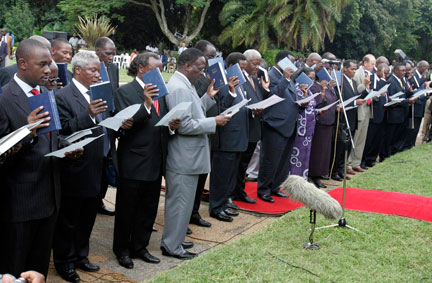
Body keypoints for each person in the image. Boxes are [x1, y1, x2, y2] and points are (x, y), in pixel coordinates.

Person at [0, 38, 81, 279]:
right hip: (19, 205)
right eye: (42, 64)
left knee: (38, 271)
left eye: (50, 64)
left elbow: (52, 137)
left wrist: (68, 148)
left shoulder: (45, 92)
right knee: (15, 271)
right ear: (22, 64)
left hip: (50, 199)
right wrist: (26, 132)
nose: (49, 70)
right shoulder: (4, 99)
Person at [161, 48, 230, 259]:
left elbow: (195, 109)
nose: (203, 73)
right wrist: (214, 122)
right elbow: (184, 126)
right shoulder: (179, 87)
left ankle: (177, 239)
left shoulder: (185, 84)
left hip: (189, 157)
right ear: (187, 65)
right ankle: (172, 245)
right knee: (179, 204)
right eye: (200, 68)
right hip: (184, 157)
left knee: (184, 203)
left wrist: (208, 98)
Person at [53, 50, 116, 282]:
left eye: (98, 70)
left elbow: (106, 121)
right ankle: (64, 262)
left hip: (99, 164)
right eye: (92, 70)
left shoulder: (100, 92)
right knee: (69, 219)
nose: (97, 74)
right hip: (75, 167)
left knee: (89, 217)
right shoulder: (63, 96)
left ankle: (81, 255)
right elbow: (64, 130)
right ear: (77, 70)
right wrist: (88, 114)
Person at [112, 53, 179, 269]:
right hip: (133, 160)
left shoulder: (160, 89)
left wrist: (171, 125)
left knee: (148, 208)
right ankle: (122, 249)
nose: (160, 73)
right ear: (141, 68)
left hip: (156, 159)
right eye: (155, 68)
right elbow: (125, 124)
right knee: (127, 209)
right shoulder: (125, 91)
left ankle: (140, 247)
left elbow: (162, 121)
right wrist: (147, 104)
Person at [209, 53, 243, 221]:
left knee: (229, 176)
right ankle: (216, 207)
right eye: (240, 68)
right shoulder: (221, 82)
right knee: (220, 176)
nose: (242, 72)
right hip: (224, 137)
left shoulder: (239, 82)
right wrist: (230, 91)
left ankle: (223, 204)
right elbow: (221, 107)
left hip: (236, 137)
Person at [189, 40, 218, 228]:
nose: (211, 61)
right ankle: (187, 214)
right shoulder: (195, 77)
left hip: (206, 130)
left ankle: (194, 212)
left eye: (214, 57)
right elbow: (194, 106)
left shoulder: (209, 74)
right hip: (193, 131)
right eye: (209, 57)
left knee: (201, 178)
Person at [233, 49, 267, 203]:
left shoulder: (255, 79)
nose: (257, 67)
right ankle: (236, 193)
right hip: (244, 128)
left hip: (254, 128)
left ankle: (240, 192)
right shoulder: (240, 79)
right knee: (239, 165)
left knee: (245, 164)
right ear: (245, 62)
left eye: (259, 64)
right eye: (254, 64)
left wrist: (265, 89)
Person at [95, 37, 120, 216]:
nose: (111, 57)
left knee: (107, 164)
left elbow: (115, 92)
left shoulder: (113, 68)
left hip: (110, 122)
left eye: (113, 53)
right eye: (107, 53)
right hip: (95, 120)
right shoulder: (90, 68)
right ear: (97, 52)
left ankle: (100, 201)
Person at [331, 60, 368, 181]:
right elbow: (339, 100)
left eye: (355, 69)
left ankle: (342, 170)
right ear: (345, 68)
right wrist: (354, 102)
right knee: (340, 146)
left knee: (346, 146)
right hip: (342, 118)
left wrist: (363, 94)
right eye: (352, 69)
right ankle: (335, 171)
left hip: (352, 117)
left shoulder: (352, 81)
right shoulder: (339, 81)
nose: (354, 71)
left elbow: (356, 95)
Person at [308, 64, 339, 188]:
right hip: (319, 122)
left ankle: (321, 173)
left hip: (329, 121)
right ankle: (313, 175)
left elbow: (333, 99)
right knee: (317, 151)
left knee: (325, 151)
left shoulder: (329, 87)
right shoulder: (315, 87)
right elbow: (317, 103)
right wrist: (322, 91)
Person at [380, 62, 415, 160]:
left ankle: (393, 152)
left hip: (402, 114)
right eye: (402, 70)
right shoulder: (391, 81)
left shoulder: (402, 80)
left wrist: (409, 93)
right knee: (389, 136)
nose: (405, 72)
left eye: (405, 70)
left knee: (398, 136)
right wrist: (407, 101)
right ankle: (385, 155)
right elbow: (391, 99)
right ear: (396, 71)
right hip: (393, 114)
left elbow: (402, 94)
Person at [346, 54, 374, 174]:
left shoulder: (369, 74)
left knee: (362, 138)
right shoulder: (357, 74)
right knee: (355, 138)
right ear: (365, 63)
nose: (374, 66)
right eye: (372, 64)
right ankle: (348, 164)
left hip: (367, 108)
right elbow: (355, 91)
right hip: (358, 109)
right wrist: (365, 85)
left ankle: (357, 162)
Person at [289, 68, 317, 179]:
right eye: (309, 78)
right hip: (299, 127)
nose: (312, 80)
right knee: (296, 155)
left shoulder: (309, 90)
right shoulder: (296, 89)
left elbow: (312, 106)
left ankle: (302, 177)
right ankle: (293, 178)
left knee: (305, 155)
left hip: (309, 128)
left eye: (313, 78)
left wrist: (318, 112)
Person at [362, 63, 390, 167]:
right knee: (370, 138)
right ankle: (365, 159)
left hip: (382, 112)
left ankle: (372, 158)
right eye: (384, 73)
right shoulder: (372, 78)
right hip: (373, 112)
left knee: (377, 138)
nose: (385, 76)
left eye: (387, 74)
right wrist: (382, 79)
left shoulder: (383, 80)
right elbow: (375, 92)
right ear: (379, 71)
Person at [405, 60, 429, 148]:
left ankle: (412, 143)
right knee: (412, 127)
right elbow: (415, 88)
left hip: (421, 105)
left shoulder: (421, 77)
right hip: (415, 106)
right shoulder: (414, 77)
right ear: (420, 67)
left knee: (417, 127)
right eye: (425, 68)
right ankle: (409, 144)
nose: (427, 70)